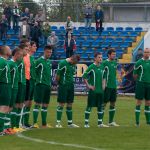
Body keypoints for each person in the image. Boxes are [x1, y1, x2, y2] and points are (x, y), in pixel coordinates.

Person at [83, 52, 108, 128]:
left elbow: (104, 77)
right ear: (95, 58)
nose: (100, 59)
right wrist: (89, 86)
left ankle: (100, 123)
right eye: (99, 57)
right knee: (89, 106)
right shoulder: (91, 67)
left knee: (100, 106)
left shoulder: (103, 67)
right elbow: (84, 76)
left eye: (101, 57)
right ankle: (86, 123)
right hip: (93, 91)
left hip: (101, 91)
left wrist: (104, 85)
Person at [56, 54, 80, 128]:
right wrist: (60, 84)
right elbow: (58, 76)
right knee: (61, 104)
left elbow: (72, 74)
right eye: (75, 62)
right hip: (63, 86)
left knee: (70, 104)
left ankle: (70, 123)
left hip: (71, 86)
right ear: (72, 59)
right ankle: (58, 123)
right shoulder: (62, 63)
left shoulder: (73, 65)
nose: (75, 64)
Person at [33, 45, 53, 128]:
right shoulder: (39, 61)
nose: (49, 54)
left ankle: (44, 124)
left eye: (51, 52)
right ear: (44, 51)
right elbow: (33, 71)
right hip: (40, 85)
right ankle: (34, 123)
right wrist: (37, 81)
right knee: (37, 104)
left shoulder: (49, 62)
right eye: (48, 52)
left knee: (45, 104)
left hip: (47, 86)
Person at [102, 49, 119, 126]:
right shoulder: (105, 63)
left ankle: (111, 121)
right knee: (104, 103)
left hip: (113, 86)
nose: (114, 55)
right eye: (113, 54)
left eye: (115, 54)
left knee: (113, 103)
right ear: (108, 55)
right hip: (107, 86)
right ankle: (100, 122)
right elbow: (101, 74)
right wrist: (103, 84)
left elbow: (114, 74)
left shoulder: (115, 62)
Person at [133, 48, 150, 126]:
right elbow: (135, 75)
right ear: (143, 53)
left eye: (148, 52)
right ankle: (137, 122)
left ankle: (148, 121)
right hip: (141, 84)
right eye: (146, 52)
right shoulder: (139, 62)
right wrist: (139, 81)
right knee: (139, 102)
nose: (147, 53)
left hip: (149, 84)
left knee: (148, 102)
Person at [9, 48, 23, 133]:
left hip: (15, 87)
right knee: (8, 107)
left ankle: (12, 126)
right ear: (16, 54)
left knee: (11, 107)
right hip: (11, 88)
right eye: (20, 55)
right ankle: (8, 127)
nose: (21, 57)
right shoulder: (10, 64)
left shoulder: (14, 64)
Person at [23, 41, 37, 127]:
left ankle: (26, 121)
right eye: (34, 46)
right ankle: (21, 122)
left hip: (32, 82)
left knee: (29, 102)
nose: (35, 47)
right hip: (28, 81)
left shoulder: (32, 58)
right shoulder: (26, 57)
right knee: (24, 102)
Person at [0, 46, 12, 135]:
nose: (10, 49)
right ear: (4, 51)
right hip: (3, 86)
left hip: (5, 86)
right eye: (8, 48)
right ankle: (0, 130)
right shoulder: (2, 61)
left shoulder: (4, 61)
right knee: (3, 108)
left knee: (5, 108)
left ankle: (3, 129)